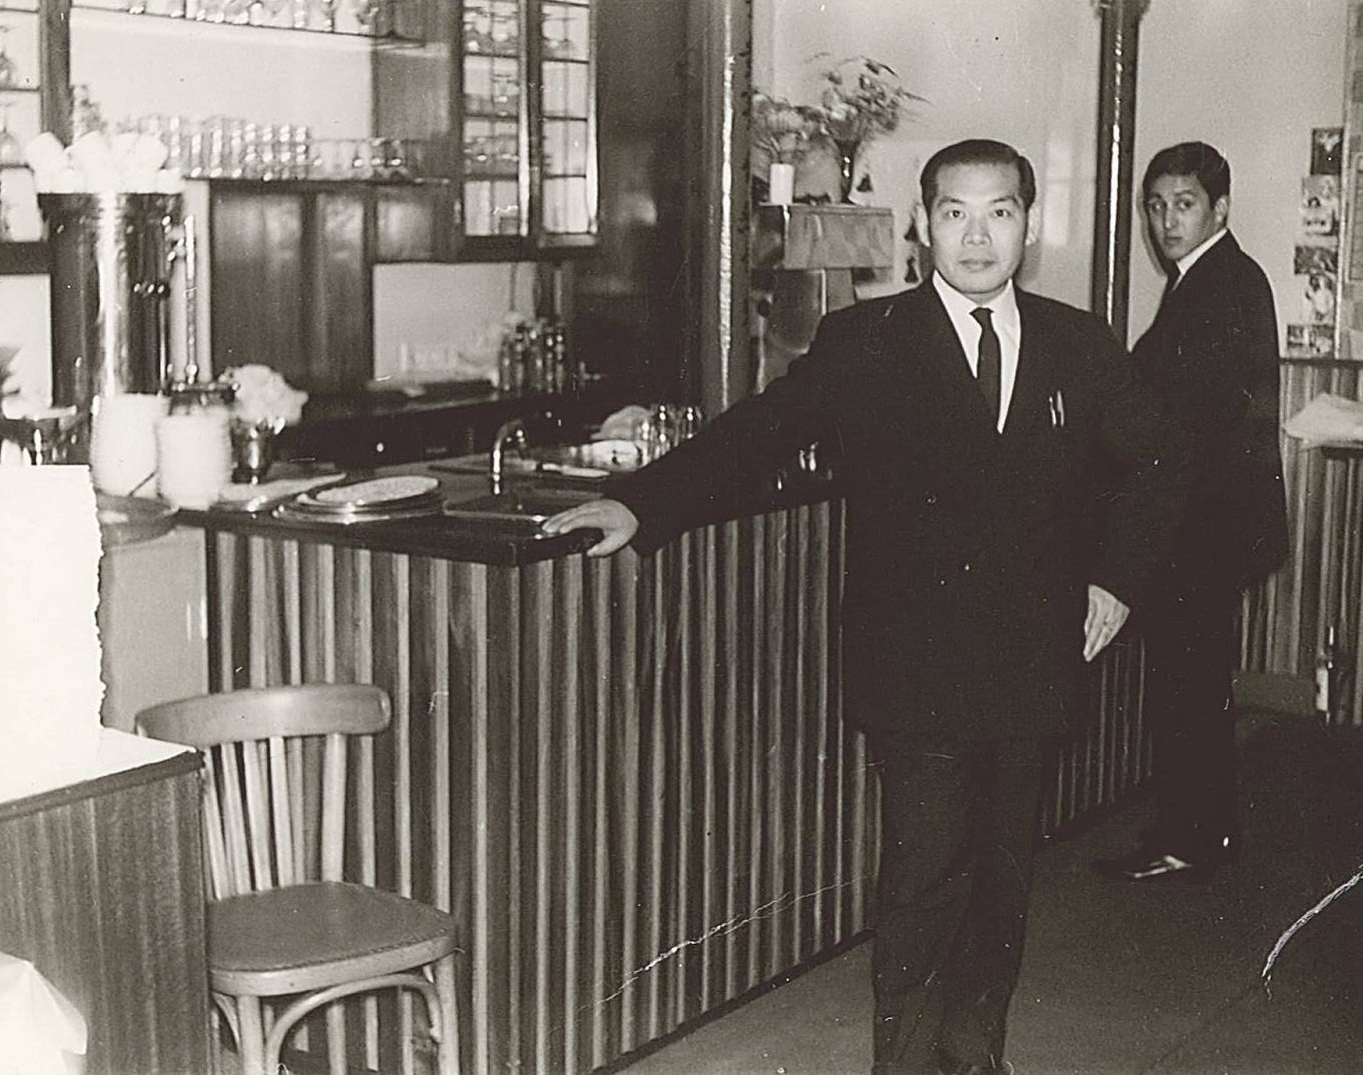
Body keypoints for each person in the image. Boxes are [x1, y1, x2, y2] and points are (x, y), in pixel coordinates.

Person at [543, 139, 1190, 1075]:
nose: (977, 236)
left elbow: (1164, 461)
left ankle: (975, 1055)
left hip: (1033, 656)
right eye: (956, 214)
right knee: (925, 875)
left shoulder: (1079, 342)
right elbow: (759, 433)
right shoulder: (867, 339)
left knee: (1004, 877)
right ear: (922, 226)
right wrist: (643, 503)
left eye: (999, 213)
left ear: (1029, 225)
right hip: (916, 662)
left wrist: (1118, 578)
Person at [1093, 142, 1289, 884]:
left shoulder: (1219, 284)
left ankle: (1191, 836)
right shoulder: (1209, 278)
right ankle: (1204, 829)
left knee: (1188, 684)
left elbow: (1177, 411)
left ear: (1220, 208)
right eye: (1156, 206)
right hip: (1211, 520)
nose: (1166, 221)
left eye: (1183, 204)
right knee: (1194, 681)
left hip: (1201, 524)